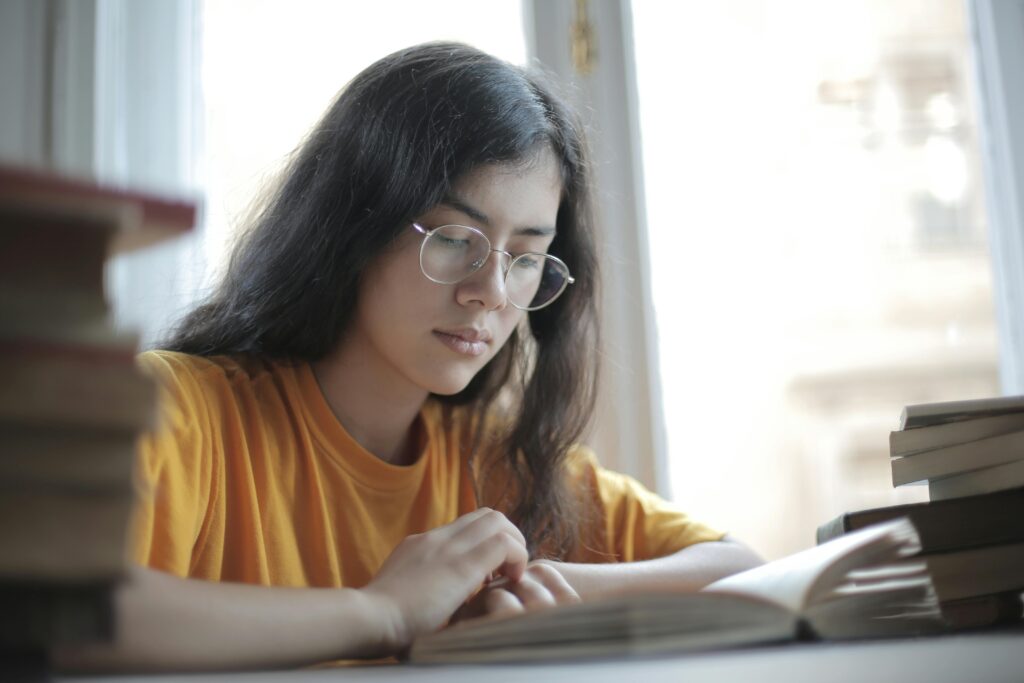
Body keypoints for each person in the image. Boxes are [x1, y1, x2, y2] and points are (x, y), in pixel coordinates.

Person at [57, 42, 761, 672]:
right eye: (455, 239)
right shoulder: (177, 410)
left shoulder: (501, 460)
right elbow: (60, 611)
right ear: (354, 225)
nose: (489, 292)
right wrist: (382, 612)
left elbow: (742, 568)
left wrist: (557, 586)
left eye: (525, 257)